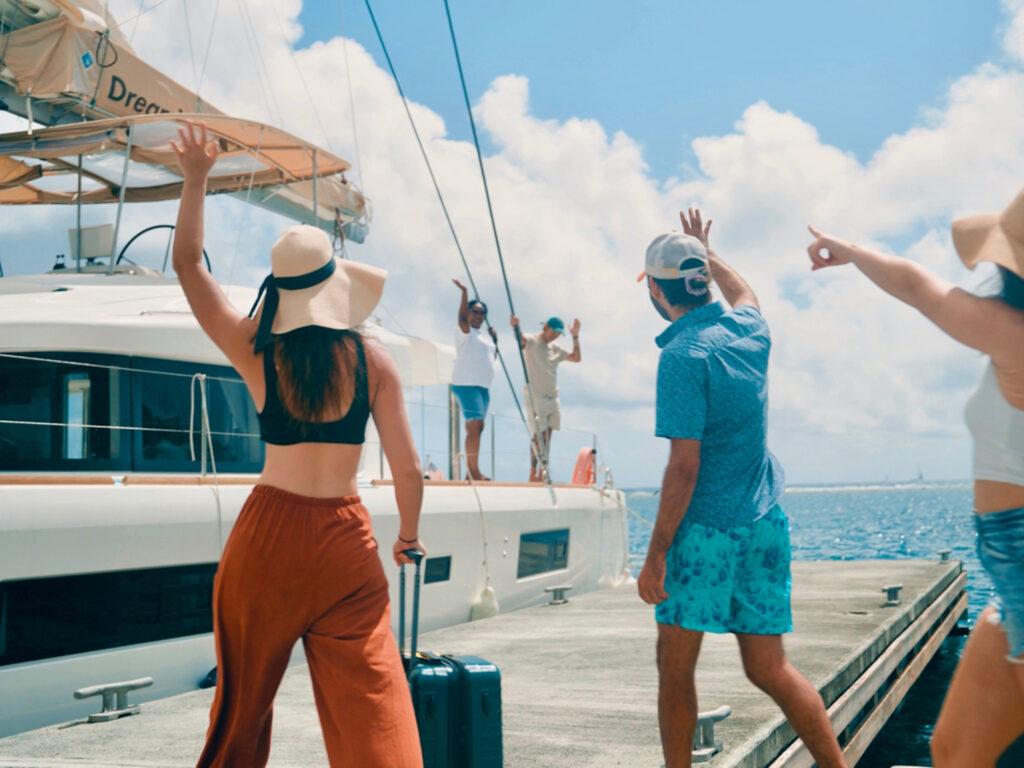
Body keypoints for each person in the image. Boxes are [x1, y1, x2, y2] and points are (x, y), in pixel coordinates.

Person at [171, 122, 424, 768]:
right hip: (345, 543)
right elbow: (409, 470)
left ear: (282, 296)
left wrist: (196, 180)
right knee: (375, 709)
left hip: (266, 541)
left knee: (240, 714)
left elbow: (187, 267)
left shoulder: (257, 354)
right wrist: (407, 537)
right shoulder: (375, 363)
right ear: (336, 287)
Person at [807, 190, 1024, 768]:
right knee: (953, 751)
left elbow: (917, 287)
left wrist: (850, 251)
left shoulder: (1012, 331)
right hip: (1010, 574)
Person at [638, 209, 848, 768]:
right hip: (764, 521)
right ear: (699, 279)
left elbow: (685, 466)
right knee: (769, 669)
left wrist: (656, 553)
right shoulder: (749, 329)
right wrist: (710, 254)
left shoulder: (682, 356)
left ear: (656, 292)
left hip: (704, 533)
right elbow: (747, 291)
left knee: (676, 667)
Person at [509, 313, 581, 482]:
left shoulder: (556, 348)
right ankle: (533, 472)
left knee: (547, 436)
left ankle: (543, 471)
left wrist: (575, 336)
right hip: (536, 397)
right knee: (538, 436)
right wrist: (516, 327)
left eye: (558, 333)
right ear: (545, 327)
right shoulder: (532, 341)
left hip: (552, 398)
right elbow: (521, 341)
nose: (555, 335)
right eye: (553, 331)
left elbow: (576, 358)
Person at [451, 279, 498, 480]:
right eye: (474, 311)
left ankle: (471, 472)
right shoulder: (464, 332)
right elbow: (462, 318)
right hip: (466, 385)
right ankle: (474, 472)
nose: (478, 315)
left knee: (476, 427)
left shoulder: (485, 336)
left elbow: (490, 359)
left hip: (482, 387)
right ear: (469, 313)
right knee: (475, 425)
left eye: (482, 313)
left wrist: (496, 340)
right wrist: (464, 292)